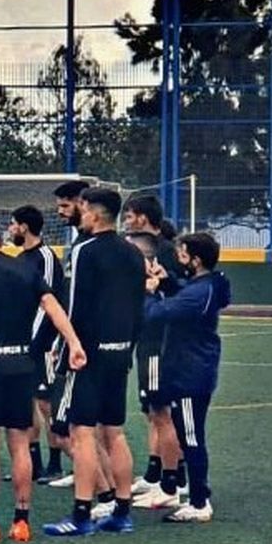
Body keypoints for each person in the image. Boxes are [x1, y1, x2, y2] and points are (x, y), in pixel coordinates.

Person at [0, 217, 86, 544]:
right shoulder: (25, 269)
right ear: (0, 238)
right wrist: (74, 342)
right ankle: (22, 522)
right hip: (22, 366)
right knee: (21, 444)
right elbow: (53, 307)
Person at [44, 186, 146, 538]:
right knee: (114, 432)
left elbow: (73, 307)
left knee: (82, 433)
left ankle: (81, 514)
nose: (80, 214)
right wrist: (127, 347)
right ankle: (122, 511)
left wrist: (66, 347)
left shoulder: (84, 250)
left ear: (96, 213)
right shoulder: (133, 252)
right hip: (119, 351)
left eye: (83, 208)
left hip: (86, 354)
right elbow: (138, 307)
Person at [137, 232, 231, 522]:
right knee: (189, 435)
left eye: (183, 254)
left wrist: (148, 292)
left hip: (190, 373)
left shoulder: (199, 292)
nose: (178, 259)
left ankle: (200, 502)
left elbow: (159, 313)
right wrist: (166, 282)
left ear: (196, 260)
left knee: (191, 439)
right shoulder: (206, 286)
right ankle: (198, 495)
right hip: (191, 369)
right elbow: (180, 292)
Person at [122, 194, 186, 499]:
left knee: (163, 412)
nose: (126, 222)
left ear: (143, 218)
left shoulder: (165, 252)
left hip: (161, 340)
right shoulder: (143, 249)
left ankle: (174, 482)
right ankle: (155, 473)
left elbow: (177, 292)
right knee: (152, 410)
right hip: (147, 338)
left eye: (129, 216)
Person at [9, 205, 67, 484]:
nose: (10, 229)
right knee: (26, 401)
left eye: (13, 224)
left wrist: (33, 339)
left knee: (46, 403)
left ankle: (55, 464)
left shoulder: (45, 257)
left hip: (43, 343)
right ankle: (33, 464)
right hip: (24, 343)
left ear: (24, 227)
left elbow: (49, 302)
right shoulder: (20, 259)